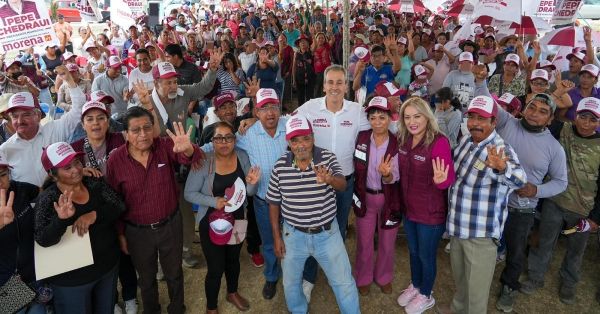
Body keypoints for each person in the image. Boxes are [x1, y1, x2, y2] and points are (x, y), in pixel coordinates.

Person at [107, 107, 202, 314]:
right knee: (146, 278)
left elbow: (195, 158)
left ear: (153, 128)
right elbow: (114, 202)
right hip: (137, 232)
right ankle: (152, 310)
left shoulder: (165, 146)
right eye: (135, 130)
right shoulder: (115, 160)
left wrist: (189, 149)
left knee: (174, 273)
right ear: (126, 134)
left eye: (147, 128)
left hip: (170, 225)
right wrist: (121, 234)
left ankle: (177, 308)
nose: (143, 134)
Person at [439, 96, 526, 314]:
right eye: (472, 117)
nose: (475, 123)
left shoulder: (500, 149)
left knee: (477, 295)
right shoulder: (466, 142)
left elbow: (520, 179)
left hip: (480, 235)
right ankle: (458, 308)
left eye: (482, 119)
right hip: (459, 227)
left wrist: (501, 169)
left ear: (494, 122)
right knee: (460, 279)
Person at [267, 114, 360, 314]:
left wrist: (330, 180)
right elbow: (274, 202)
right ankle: (299, 310)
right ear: (289, 142)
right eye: (295, 140)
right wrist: (276, 237)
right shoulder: (280, 166)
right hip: (293, 236)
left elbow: (343, 185)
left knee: (343, 283)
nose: (301, 145)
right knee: (291, 284)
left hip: (327, 234)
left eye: (305, 138)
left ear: (313, 138)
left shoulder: (326, 157)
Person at [491, 92, 568, 313]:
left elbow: (561, 182)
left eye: (543, 112)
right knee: (486, 247)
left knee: (515, 252)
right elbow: (487, 101)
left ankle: (509, 286)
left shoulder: (554, 148)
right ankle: (480, 278)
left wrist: (537, 190)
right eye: (532, 107)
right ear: (525, 108)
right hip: (492, 200)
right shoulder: (507, 121)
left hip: (521, 209)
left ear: (550, 119)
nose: (535, 114)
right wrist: (478, 81)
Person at [520, 97, 600, 305]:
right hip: (554, 202)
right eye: (583, 116)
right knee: (544, 243)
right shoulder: (561, 130)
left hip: (583, 210)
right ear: (575, 115)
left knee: (576, 251)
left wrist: (595, 218)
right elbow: (542, 113)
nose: (586, 123)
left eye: (593, 119)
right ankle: (535, 277)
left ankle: (569, 284)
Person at [34, 142, 126, 313]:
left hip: (107, 267)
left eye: (77, 162)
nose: (76, 170)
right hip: (72, 281)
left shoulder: (93, 182)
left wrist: (94, 215)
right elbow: (42, 239)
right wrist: (61, 221)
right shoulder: (48, 199)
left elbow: (119, 205)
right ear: (53, 175)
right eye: (67, 168)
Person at [69, 101, 138, 314]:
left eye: (101, 118)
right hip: (94, 211)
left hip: (122, 204)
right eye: (90, 119)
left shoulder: (120, 139)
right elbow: (61, 176)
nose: (96, 123)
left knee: (125, 254)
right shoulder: (75, 149)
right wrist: (81, 171)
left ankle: (130, 297)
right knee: (104, 257)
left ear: (108, 121)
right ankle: (112, 300)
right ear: (83, 124)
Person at [185, 121, 260, 313]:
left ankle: (232, 292)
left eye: (228, 137)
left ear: (235, 140)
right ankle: (211, 307)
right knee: (216, 268)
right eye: (219, 138)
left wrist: (252, 183)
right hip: (210, 222)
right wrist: (213, 201)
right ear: (213, 141)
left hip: (239, 220)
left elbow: (248, 193)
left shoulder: (242, 157)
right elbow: (189, 193)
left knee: (233, 260)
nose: (224, 142)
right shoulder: (203, 161)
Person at [395, 97, 456, 313]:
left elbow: (447, 179)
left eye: (417, 116)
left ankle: (426, 294)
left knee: (425, 255)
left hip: (430, 214)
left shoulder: (438, 141)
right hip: (409, 210)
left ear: (427, 116)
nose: (412, 122)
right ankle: (416, 284)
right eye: (408, 117)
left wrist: (442, 181)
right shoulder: (403, 138)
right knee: (413, 251)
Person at [0, 67, 85, 187]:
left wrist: (69, 80)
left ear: (38, 115)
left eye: (26, 115)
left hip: (66, 200)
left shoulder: (55, 129)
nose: (19, 121)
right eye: (14, 116)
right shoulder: (5, 150)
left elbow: (79, 109)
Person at [352, 96, 401, 296]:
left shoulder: (396, 142)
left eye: (382, 117)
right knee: (364, 241)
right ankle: (363, 276)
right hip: (365, 197)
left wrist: (387, 174)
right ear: (368, 119)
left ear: (389, 118)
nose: (377, 122)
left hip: (389, 199)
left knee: (387, 242)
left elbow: (395, 177)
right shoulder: (361, 138)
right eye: (373, 118)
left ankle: (383, 277)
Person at [0, 151, 43, 314]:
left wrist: (78, 177)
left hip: (34, 276)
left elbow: (44, 193)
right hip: (6, 284)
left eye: (2, 175)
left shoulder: (21, 189)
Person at [293, 34, 315, 107]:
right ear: (298, 44)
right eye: (301, 42)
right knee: (300, 97)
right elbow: (294, 67)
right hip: (299, 78)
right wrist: (294, 80)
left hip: (310, 78)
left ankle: (310, 114)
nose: (303, 43)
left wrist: (313, 34)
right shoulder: (296, 54)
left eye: (305, 41)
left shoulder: (311, 52)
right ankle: (301, 114)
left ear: (308, 44)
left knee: (310, 97)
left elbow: (315, 45)